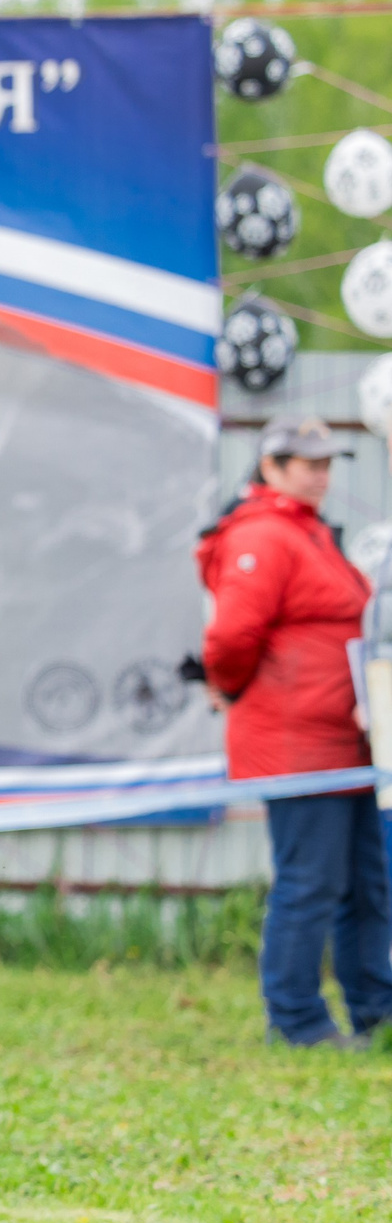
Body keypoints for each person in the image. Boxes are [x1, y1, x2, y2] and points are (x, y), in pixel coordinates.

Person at [198, 414, 392, 1049]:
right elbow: (229, 637)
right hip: (297, 743)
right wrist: (230, 691)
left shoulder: (308, 532)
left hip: (348, 742)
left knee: (365, 882)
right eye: (307, 463)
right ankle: (296, 1021)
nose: (321, 475)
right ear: (270, 466)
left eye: (328, 463)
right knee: (309, 884)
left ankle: (375, 1011)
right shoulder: (263, 535)